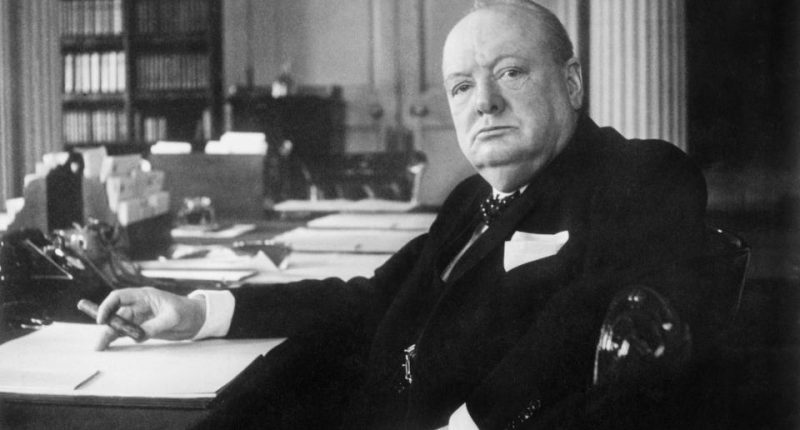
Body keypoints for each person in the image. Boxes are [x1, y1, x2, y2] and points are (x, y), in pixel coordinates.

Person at [95, 1, 709, 428]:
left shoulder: (642, 173)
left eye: (511, 73)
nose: (485, 102)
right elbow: (369, 300)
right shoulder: (470, 199)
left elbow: (587, 333)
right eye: (462, 87)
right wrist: (199, 311)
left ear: (571, 83)